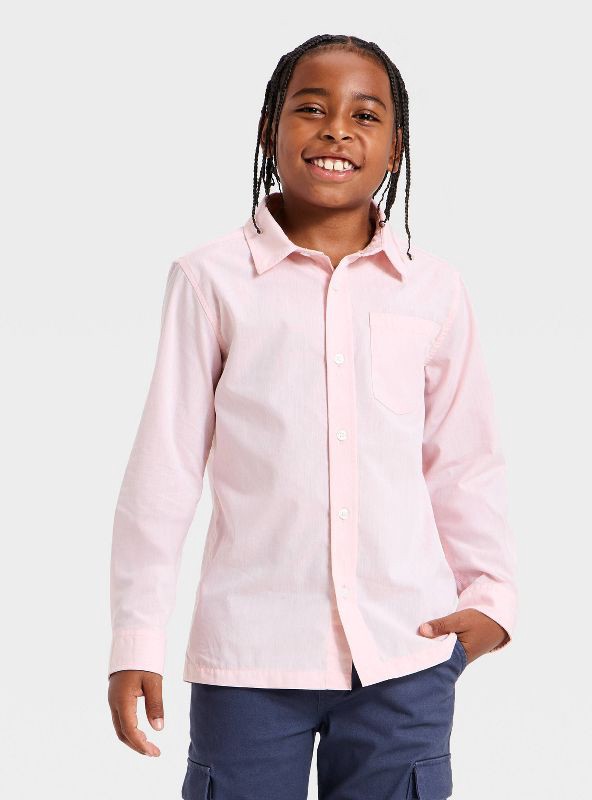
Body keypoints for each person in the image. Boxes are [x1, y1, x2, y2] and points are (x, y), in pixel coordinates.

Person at [107, 33, 518, 800]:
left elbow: (463, 459)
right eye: (311, 109)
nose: (336, 130)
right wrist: (136, 638)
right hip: (250, 660)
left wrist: (489, 598)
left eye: (365, 115)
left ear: (395, 148)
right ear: (271, 129)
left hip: (407, 653)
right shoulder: (210, 280)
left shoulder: (434, 289)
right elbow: (164, 470)